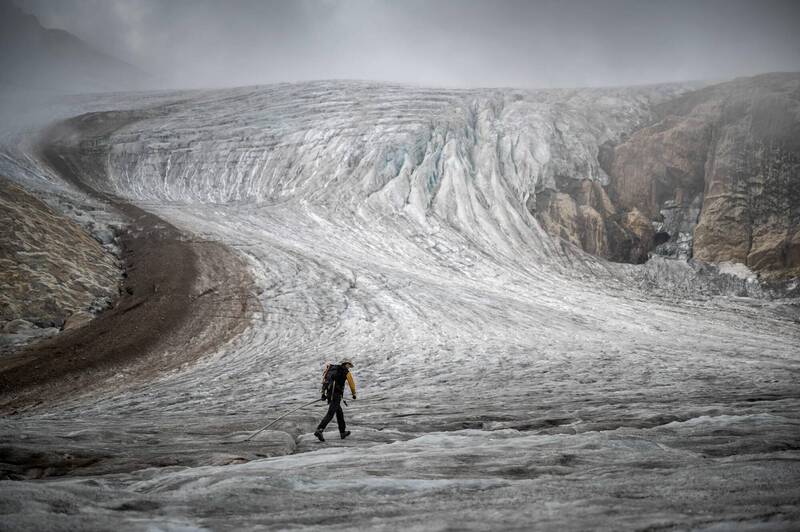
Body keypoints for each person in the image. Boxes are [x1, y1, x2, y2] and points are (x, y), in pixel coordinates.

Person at [314, 360, 357, 441]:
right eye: (349, 365)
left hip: (330, 394)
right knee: (330, 413)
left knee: (339, 413)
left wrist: (323, 393)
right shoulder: (345, 371)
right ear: (346, 364)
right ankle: (320, 429)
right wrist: (354, 394)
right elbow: (351, 384)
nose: (349, 367)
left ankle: (342, 432)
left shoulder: (332, 369)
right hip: (336, 395)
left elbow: (325, 381)